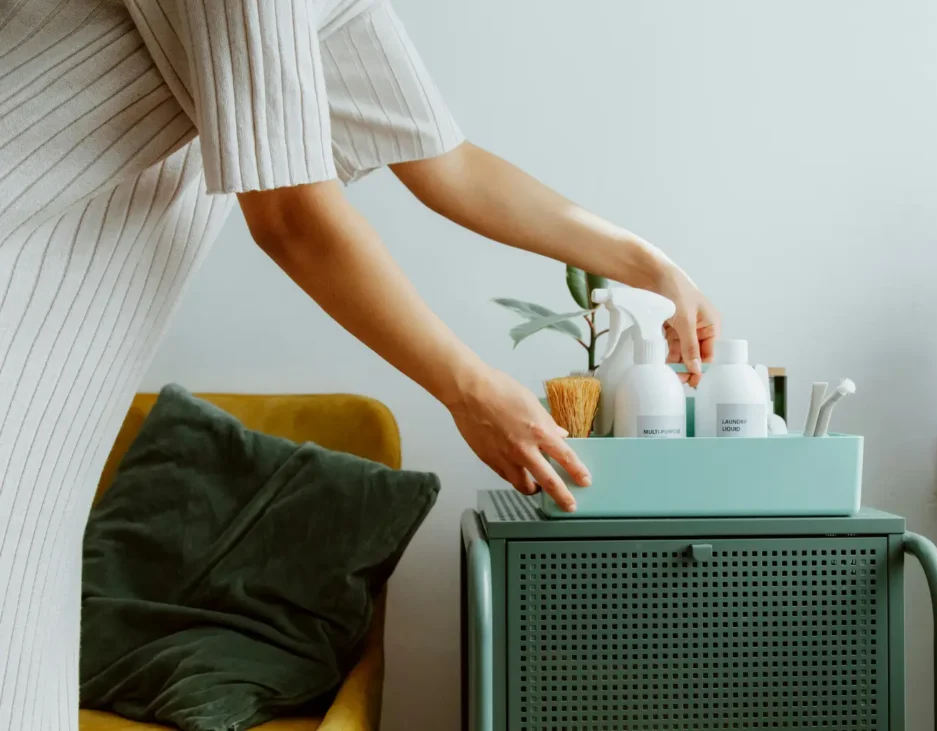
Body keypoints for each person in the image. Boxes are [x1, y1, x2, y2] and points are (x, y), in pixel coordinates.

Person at [0, 0, 719, 726]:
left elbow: (448, 165)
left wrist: (653, 267)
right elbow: (290, 215)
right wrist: (468, 388)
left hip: (51, 368)